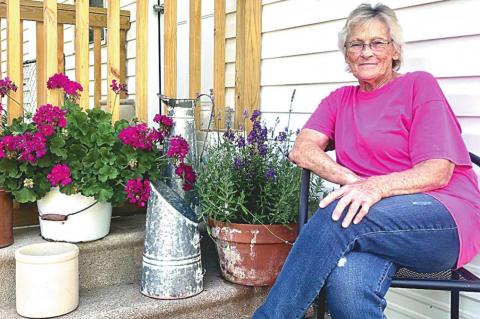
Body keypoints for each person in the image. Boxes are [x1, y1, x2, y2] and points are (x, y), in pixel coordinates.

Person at [252, 3, 480, 319]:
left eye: (377, 43)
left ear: (395, 51)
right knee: (348, 287)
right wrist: (353, 182)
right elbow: (302, 149)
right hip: (374, 222)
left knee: (338, 213)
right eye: (356, 44)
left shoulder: (418, 85)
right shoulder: (339, 101)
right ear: (346, 55)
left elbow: (438, 171)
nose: (366, 52)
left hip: (441, 217)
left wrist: (374, 187)